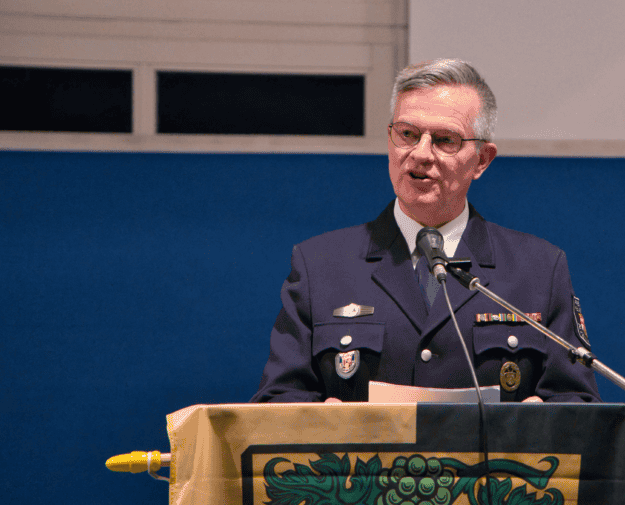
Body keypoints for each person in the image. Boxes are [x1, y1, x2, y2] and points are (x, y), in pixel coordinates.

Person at [251, 59, 600, 403]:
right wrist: (319, 423)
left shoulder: (538, 270)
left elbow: (579, 408)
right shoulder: (320, 265)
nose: (420, 154)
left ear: (481, 160)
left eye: (445, 140)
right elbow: (277, 401)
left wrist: (543, 422)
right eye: (407, 134)